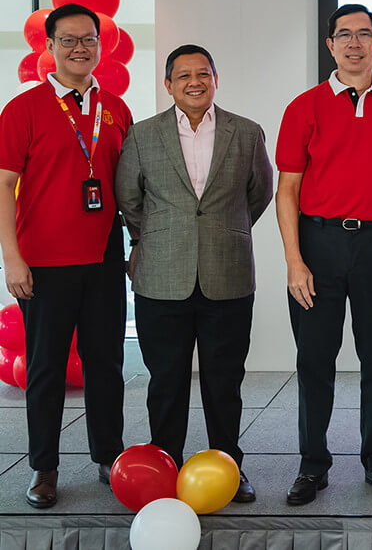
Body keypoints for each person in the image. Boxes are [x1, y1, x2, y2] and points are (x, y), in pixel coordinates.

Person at [275, 3, 372, 503]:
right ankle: (312, 465)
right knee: (315, 358)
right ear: (330, 45)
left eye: (365, 34)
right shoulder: (304, 107)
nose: (355, 43)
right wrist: (295, 261)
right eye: (345, 35)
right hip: (319, 245)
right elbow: (288, 190)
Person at [115, 44, 273, 503]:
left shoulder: (246, 133)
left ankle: (228, 467)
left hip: (228, 273)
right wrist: (157, 237)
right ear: (168, 85)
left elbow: (258, 194)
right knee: (165, 381)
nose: (193, 82)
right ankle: (165, 466)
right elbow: (130, 198)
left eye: (202, 73)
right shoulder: (144, 135)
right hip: (162, 277)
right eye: (182, 76)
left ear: (215, 79)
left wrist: (225, 231)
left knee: (225, 381)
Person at [0, 3, 131, 508]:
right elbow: (4, 186)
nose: (80, 48)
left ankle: (108, 456)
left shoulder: (115, 109)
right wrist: (12, 259)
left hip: (102, 258)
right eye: (69, 40)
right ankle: (44, 468)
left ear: (101, 46)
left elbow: (130, 189)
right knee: (46, 369)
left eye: (89, 40)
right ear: (49, 47)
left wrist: (136, 245)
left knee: (106, 363)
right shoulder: (23, 108)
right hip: (43, 263)